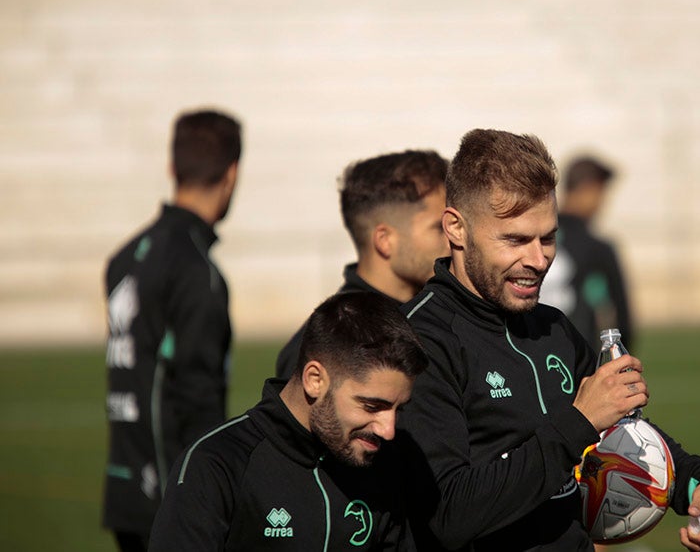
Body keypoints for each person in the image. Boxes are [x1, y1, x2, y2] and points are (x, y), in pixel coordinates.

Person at [398, 129, 700, 552]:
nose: (539, 260)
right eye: (516, 239)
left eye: (548, 237)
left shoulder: (553, 327)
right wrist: (576, 424)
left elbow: (624, 429)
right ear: (456, 229)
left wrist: (696, 479)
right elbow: (446, 516)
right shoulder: (415, 342)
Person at [148, 292, 430, 551]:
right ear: (315, 380)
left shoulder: (382, 463)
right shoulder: (216, 465)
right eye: (372, 406)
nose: (388, 430)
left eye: (398, 409)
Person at [102, 108, 242, 552]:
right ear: (232, 174)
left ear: (172, 167)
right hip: (171, 500)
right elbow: (196, 395)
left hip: (126, 483)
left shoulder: (126, 257)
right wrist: (209, 495)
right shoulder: (197, 271)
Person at [274, 150, 449, 379]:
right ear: (385, 240)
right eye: (439, 227)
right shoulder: (325, 345)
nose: (453, 238)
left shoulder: (440, 314)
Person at [539, 155, 633, 351]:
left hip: (532, 354)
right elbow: (623, 319)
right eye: (601, 193)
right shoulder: (597, 248)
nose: (602, 202)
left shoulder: (534, 236)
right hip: (579, 361)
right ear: (589, 189)